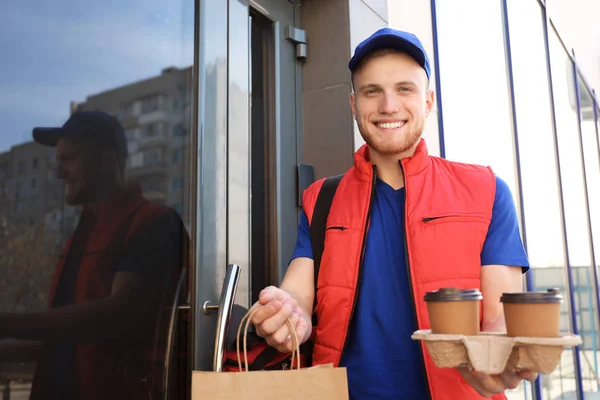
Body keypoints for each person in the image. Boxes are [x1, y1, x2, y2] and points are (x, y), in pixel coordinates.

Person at [249, 28, 536, 400]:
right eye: (372, 91)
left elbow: (500, 315)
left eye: (404, 89)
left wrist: (499, 353)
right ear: (353, 104)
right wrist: (286, 317)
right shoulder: (321, 198)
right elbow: (298, 298)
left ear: (428, 100)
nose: (388, 106)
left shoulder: (486, 190)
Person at [0, 111, 187, 400]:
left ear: (108, 160)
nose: (59, 172)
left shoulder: (154, 223)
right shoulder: (83, 234)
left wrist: (5, 323)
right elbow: (67, 341)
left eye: (69, 159)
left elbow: (116, 316)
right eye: (58, 160)